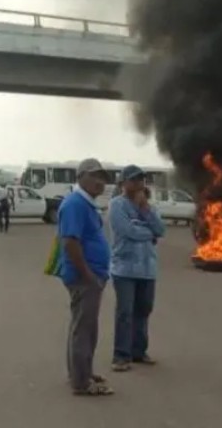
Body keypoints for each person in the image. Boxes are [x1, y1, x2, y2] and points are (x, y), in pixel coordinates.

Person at [57, 158, 113, 396]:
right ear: (80, 177)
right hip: (84, 279)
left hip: (90, 277)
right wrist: (89, 275)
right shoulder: (75, 204)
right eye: (94, 176)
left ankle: (82, 372)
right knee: (84, 328)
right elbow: (70, 242)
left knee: (85, 327)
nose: (99, 181)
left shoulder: (85, 203)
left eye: (102, 177)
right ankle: (81, 382)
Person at [108, 165, 165, 373]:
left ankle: (138, 352)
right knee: (125, 312)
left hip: (147, 268)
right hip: (124, 268)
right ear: (123, 183)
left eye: (141, 179)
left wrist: (145, 211)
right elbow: (127, 231)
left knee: (143, 310)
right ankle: (120, 356)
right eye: (133, 180)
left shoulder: (148, 206)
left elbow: (161, 229)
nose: (138, 183)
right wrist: (149, 234)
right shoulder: (116, 205)